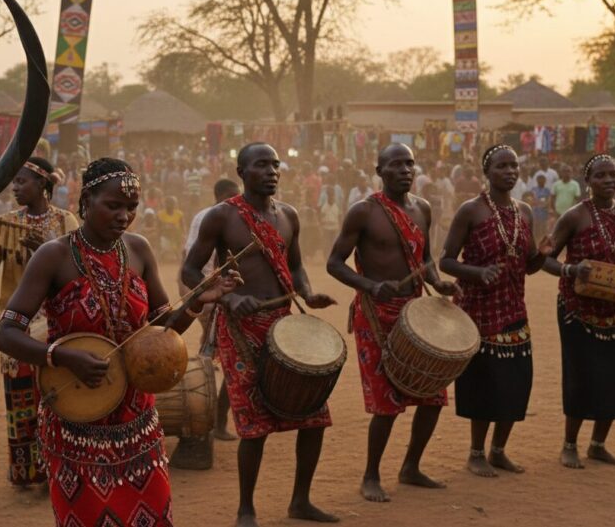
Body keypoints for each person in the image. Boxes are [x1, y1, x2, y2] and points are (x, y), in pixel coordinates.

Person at [0, 158, 237, 526]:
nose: (125, 216)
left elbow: (162, 331)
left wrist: (196, 303)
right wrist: (61, 357)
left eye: (132, 207)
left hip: (137, 423)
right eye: (113, 206)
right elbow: (7, 333)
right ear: (86, 200)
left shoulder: (138, 250)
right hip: (76, 423)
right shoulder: (54, 256)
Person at [182, 142, 339, 526]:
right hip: (241, 330)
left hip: (285, 325)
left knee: (315, 415)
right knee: (253, 426)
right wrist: (229, 300)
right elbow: (190, 271)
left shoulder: (289, 215)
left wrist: (307, 291)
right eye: (261, 165)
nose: (271, 171)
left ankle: (300, 501)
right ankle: (246, 509)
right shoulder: (221, 217)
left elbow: (296, 264)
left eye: (275, 164)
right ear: (242, 172)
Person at [327, 144, 458, 502]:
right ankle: (371, 475)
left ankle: (411, 467)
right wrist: (370, 285)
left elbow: (426, 259)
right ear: (379, 170)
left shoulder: (423, 209)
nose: (405, 170)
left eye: (410, 164)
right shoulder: (363, 212)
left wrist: (437, 281)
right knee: (386, 404)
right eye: (396, 164)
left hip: (414, 314)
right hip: (375, 315)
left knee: (433, 396)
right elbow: (334, 263)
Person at [440, 144, 548, 478]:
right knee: (484, 386)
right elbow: (445, 260)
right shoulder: (470, 211)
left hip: (515, 309)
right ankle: (476, 453)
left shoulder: (524, 212)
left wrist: (543, 255)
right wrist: (477, 273)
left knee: (515, 383)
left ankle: (499, 451)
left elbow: (527, 264)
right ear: (487, 172)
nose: (510, 172)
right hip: (479, 313)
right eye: (502, 166)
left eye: (514, 165)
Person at [0, 156, 78, 487]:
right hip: (18, 323)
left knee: (58, 395)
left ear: (43, 184)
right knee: (20, 396)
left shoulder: (65, 222)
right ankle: (26, 470)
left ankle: (60, 469)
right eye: (13, 182)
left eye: (21, 182)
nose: (15, 188)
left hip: (57, 321)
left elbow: (77, 271)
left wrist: (46, 249)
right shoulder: (7, 222)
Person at [542, 155, 615, 469]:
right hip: (577, 310)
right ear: (588, 181)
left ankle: (598, 445)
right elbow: (546, 259)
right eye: (601, 175)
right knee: (580, 377)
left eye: (613, 174)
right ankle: (569, 445)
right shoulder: (574, 216)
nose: (609, 180)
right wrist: (572, 270)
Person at [182, 178, 242, 441]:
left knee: (224, 359)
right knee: (214, 359)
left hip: (228, 297)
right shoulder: (207, 217)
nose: (235, 200)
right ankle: (207, 420)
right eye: (231, 196)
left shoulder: (237, 216)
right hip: (210, 298)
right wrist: (204, 297)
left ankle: (211, 419)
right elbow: (191, 261)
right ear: (218, 196)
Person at [157, 195, 186, 261]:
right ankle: (161, 254)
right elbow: (158, 228)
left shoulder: (179, 214)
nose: (170, 205)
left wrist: (184, 235)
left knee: (178, 244)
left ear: (175, 205)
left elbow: (183, 226)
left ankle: (177, 254)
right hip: (165, 236)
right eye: (168, 203)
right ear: (165, 204)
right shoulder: (160, 214)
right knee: (164, 248)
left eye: (172, 204)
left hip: (176, 236)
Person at [319, 186, 341, 251]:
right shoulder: (324, 207)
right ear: (328, 196)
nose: (331, 197)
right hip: (326, 228)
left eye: (332, 195)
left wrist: (340, 226)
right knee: (327, 244)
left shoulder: (337, 205)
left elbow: (340, 216)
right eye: (330, 195)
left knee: (334, 244)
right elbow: (321, 217)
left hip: (335, 228)